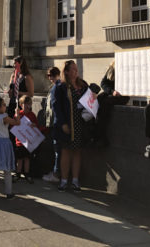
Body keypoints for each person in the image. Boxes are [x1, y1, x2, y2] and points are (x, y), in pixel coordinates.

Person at [52, 60, 88, 192]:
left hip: (80, 123)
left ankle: (75, 180)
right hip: (67, 123)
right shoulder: (60, 86)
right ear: (66, 71)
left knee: (77, 151)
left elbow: (89, 100)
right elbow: (56, 106)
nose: (76, 71)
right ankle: (63, 180)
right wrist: (62, 123)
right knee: (66, 152)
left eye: (76, 69)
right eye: (73, 69)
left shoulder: (82, 84)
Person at [96, 61, 129, 146]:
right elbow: (103, 83)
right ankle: (97, 134)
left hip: (123, 95)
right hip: (112, 93)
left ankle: (101, 135)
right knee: (98, 99)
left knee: (105, 103)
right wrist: (112, 91)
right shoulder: (112, 68)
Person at [13, 95, 38, 184]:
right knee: (20, 158)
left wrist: (34, 125)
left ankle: (27, 173)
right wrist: (17, 114)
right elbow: (15, 123)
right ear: (21, 104)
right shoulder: (19, 114)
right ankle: (18, 173)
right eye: (25, 104)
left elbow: (36, 125)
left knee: (27, 158)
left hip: (28, 141)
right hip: (20, 141)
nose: (27, 106)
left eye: (29, 104)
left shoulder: (32, 115)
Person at [43, 66, 61, 183]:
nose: (50, 78)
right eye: (49, 75)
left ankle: (56, 173)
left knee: (57, 150)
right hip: (52, 122)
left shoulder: (58, 87)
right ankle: (56, 172)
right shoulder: (53, 87)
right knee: (56, 149)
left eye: (52, 75)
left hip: (57, 123)